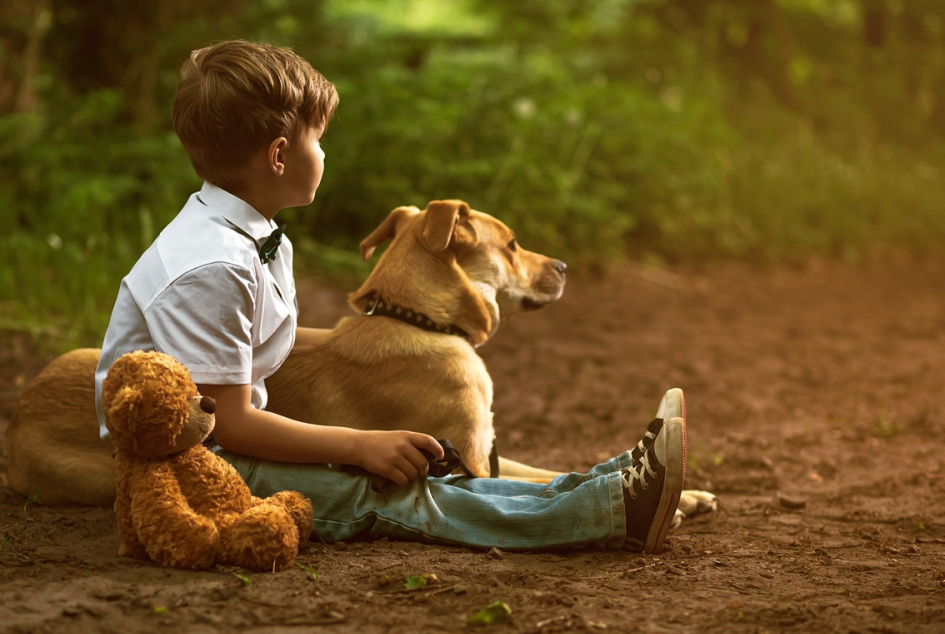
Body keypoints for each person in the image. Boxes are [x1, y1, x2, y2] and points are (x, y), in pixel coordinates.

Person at [95, 40, 687, 555]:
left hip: (222, 445)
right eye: (318, 140)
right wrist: (359, 444)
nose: (324, 154)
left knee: (420, 475)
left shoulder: (249, 236)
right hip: (189, 467)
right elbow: (230, 423)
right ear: (278, 155)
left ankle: (605, 486)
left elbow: (243, 362)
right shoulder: (212, 266)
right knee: (384, 494)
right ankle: (609, 515)